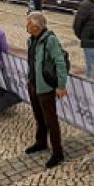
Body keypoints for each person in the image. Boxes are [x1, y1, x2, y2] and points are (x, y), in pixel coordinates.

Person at [25, 12, 67, 168]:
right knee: (38, 116)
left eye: (28, 23)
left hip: (46, 85)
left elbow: (60, 62)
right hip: (33, 83)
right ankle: (41, 142)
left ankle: (58, 152)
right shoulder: (31, 40)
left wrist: (61, 85)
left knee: (51, 120)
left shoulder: (50, 40)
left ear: (36, 26)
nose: (26, 25)